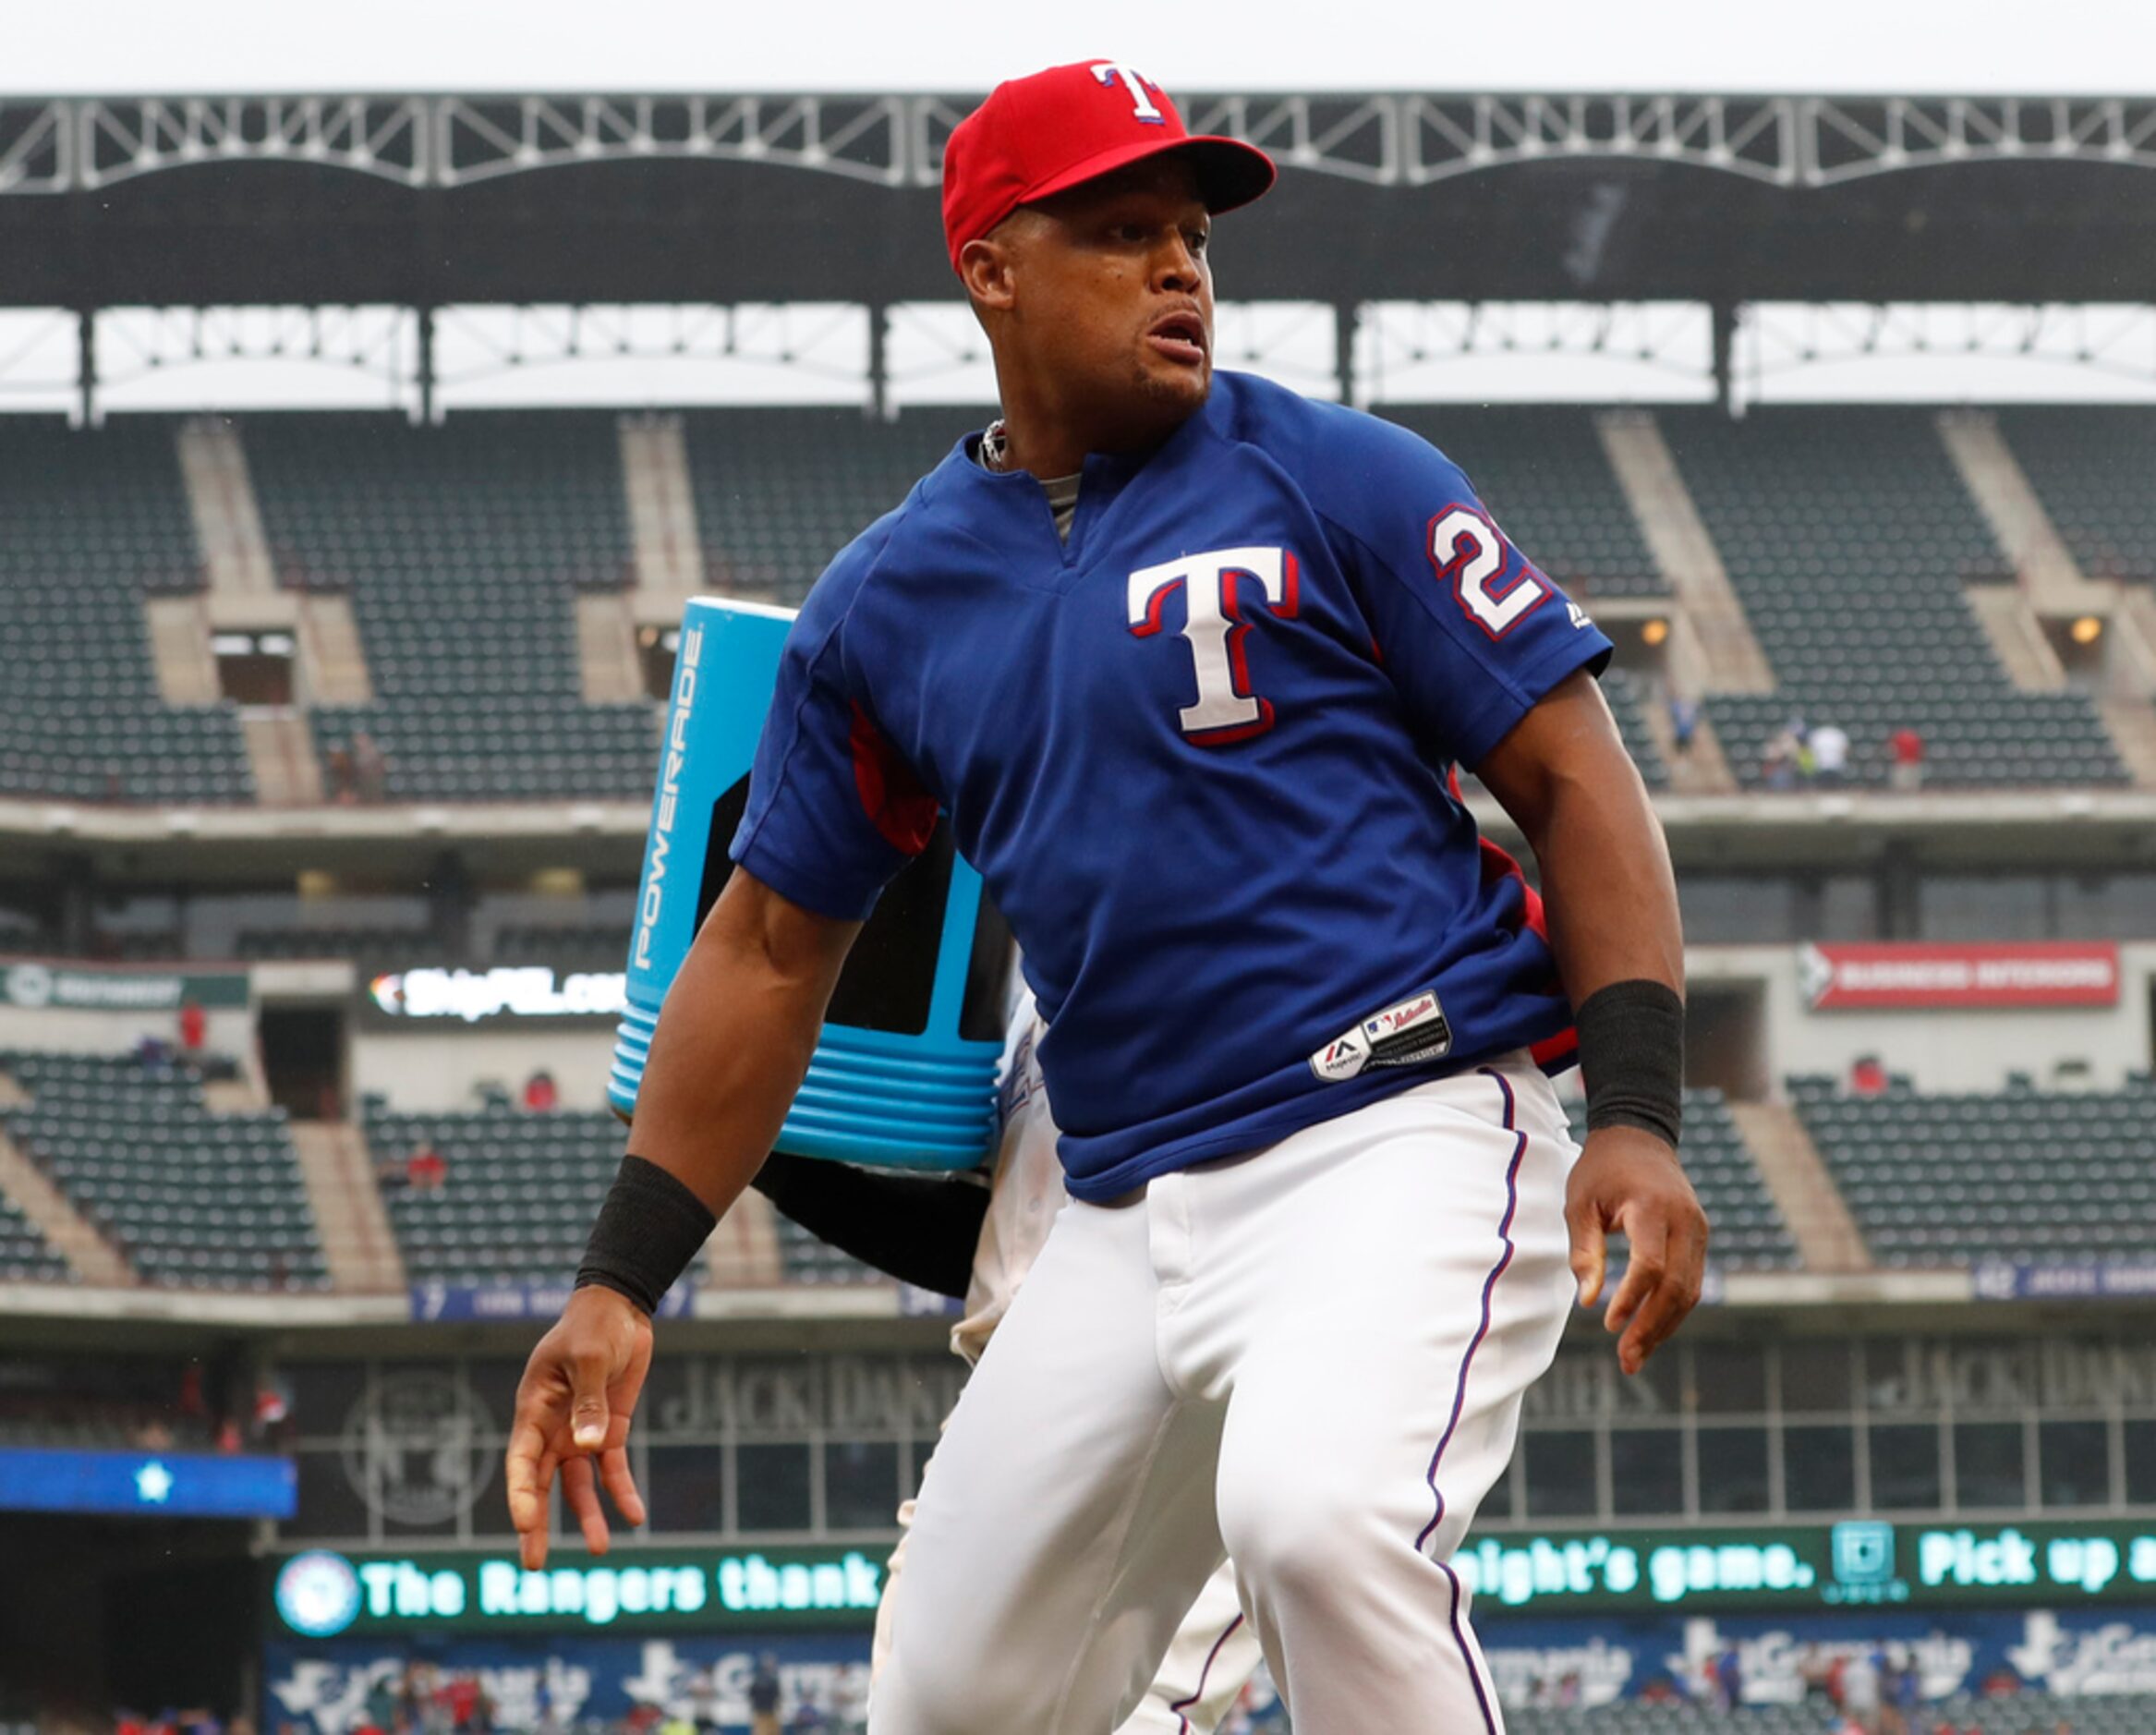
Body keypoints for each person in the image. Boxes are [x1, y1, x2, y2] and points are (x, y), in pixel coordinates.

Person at [506, 58, 1704, 1734]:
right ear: (990, 265)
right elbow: (772, 949)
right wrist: (619, 1279)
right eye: (1121, 230)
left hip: (1399, 1123)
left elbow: (1576, 777)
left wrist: (1636, 1108)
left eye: (1193, 239)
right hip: (1121, 1204)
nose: (1178, 270)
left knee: (1315, 1520)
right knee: (947, 1694)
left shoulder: (1338, 476)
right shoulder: (887, 602)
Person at [747, 1656, 781, 1735]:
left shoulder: (757, 1679)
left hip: (761, 1710)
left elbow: (751, 1694)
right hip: (768, 1711)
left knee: (761, 1731)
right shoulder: (773, 1680)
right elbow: (778, 1696)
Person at [1811, 719, 1850, 788]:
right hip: (1830, 765)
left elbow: (1811, 751)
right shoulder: (1839, 734)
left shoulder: (1818, 734)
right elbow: (1845, 750)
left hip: (1825, 765)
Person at [1891, 723, 1926, 791]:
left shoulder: (1914, 738)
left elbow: (1893, 750)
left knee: (1911, 783)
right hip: (1904, 762)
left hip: (1911, 762)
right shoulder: (1900, 737)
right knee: (1903, 783)